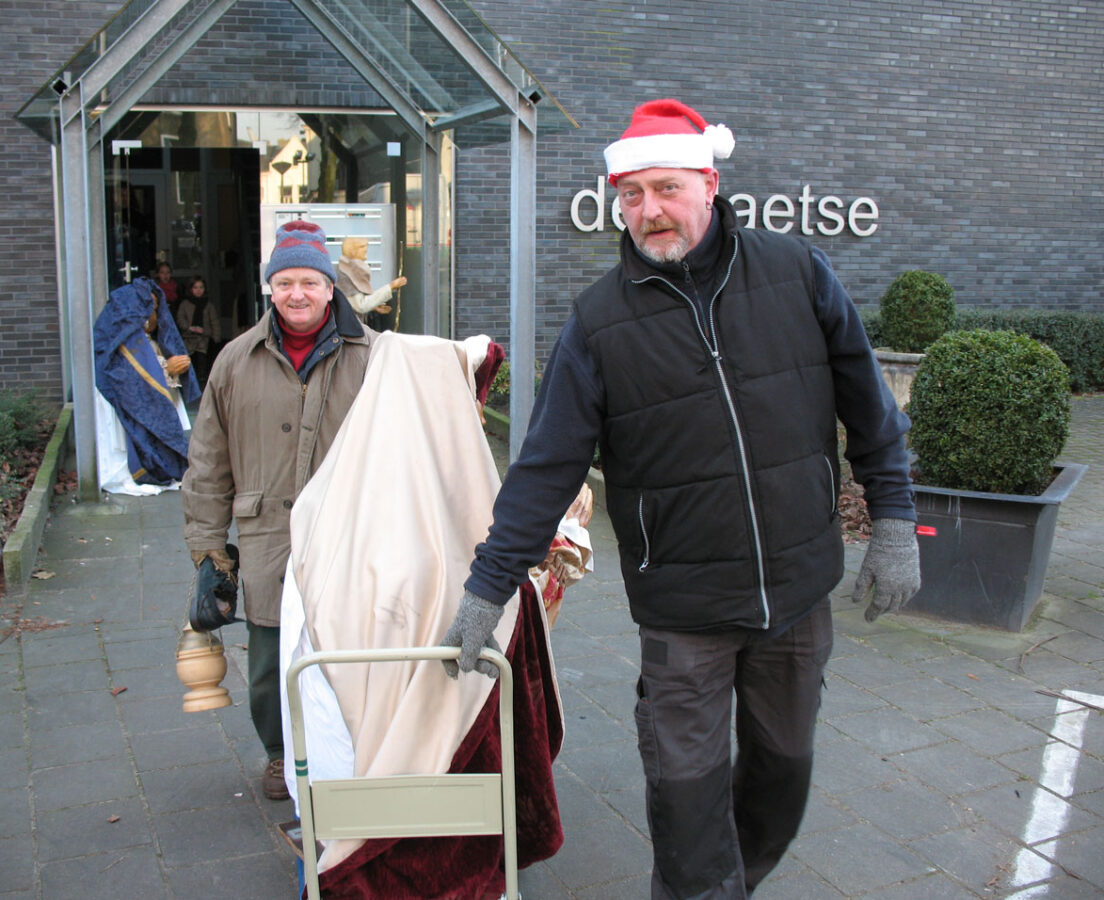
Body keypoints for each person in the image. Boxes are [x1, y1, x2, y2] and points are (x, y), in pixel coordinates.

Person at [439, 98, 921, 898]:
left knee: (780, 785)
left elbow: (870, 406)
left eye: (665, 188)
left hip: (797, 597)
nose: (648, 211)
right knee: (687, 802)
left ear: (708, 182)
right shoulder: (599, 322)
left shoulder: (797, 272)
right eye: (630, 195)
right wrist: (491, 585)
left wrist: (896, 520)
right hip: (683, 611)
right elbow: (547, 465)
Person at [181, 219, 376, 801]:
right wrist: (210, 550)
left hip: (348, 535)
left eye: (310, 282)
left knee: (350, 651)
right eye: (285, 281)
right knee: (269, 665)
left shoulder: (372, 356)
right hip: (268, 537)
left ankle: (354, 749)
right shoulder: (234, 362)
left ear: (330, 287)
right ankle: (278, 754)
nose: (297, 294)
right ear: (270, 287)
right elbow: (208, 463)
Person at [93, 276, 199, 487]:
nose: (154, 316)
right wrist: (167, 369)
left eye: (156, 309)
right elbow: (130, 381)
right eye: (150, 309)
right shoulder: (124, 341)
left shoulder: (149, 339)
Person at [334, 235, 407, 329]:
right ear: (352, 250)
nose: (365, 250)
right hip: (348, 330)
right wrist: (390, 287)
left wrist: (374, 307)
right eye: (361, 247)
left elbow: (353, 304)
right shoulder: (344, 273)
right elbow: (360, 305)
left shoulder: (351, 269)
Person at [175, 276, 222, 384]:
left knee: (202, 361)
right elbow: (180, 318)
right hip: (188, 338)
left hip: (203, 338)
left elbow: (214, 321)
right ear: (190, 289)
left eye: (201, 287)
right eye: (195, 287)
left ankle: (202, 379)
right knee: (189, 360)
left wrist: (216, 337)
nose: (198, 290)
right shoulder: (185, 304)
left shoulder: (208, 305)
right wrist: (188, 327)